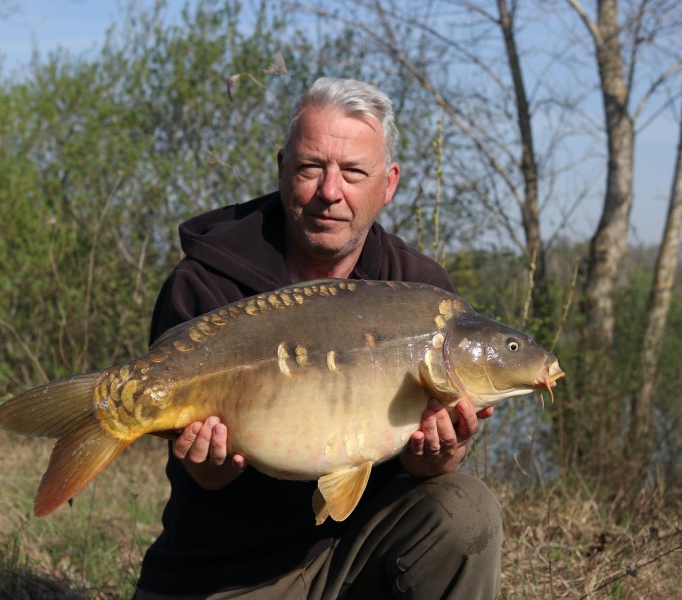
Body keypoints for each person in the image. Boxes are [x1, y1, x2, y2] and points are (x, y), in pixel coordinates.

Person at [134, 77, 503, 599]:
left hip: (358, 553)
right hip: (229, 568)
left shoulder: (423, 297)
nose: (330, 192)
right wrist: (208, 467)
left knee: (466, 511)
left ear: (389, 183)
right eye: (311, 168)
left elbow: (427, 470)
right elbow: (203, 479)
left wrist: (439, 455)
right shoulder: (206, 282)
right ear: (282, 168)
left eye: (354, 172)